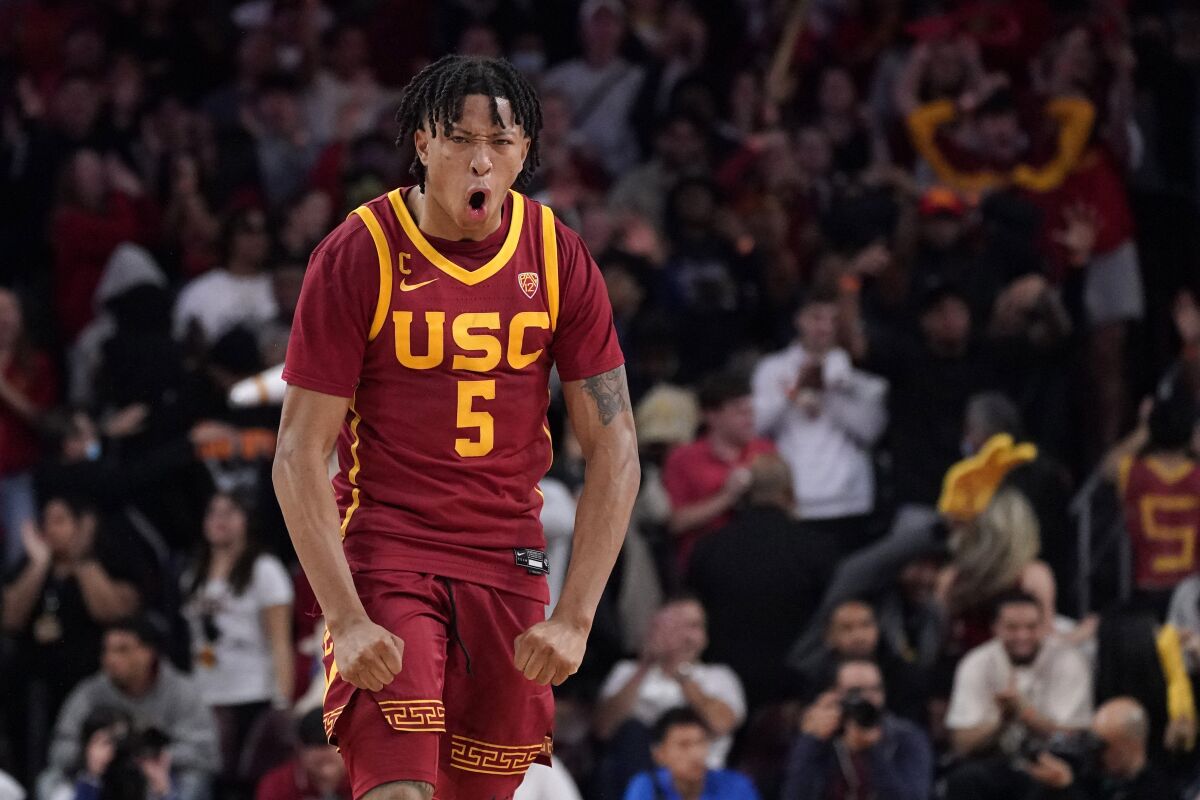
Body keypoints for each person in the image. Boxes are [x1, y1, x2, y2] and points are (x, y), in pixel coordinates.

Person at [272, 55, 639, 800]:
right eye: (459, 137)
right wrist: (345, 615)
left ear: (527, 152)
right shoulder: (358, 252)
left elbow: (617, 447)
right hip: (390, 554)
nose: (480, 158)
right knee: (397, 790)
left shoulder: (558, 255)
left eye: (501, 142)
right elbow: (296, 454)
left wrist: (576, 615)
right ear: (421, 143)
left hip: (509, 566)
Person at [688, 453, 840, 710]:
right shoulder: (818, 549)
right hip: (795, 683)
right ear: (790, 493)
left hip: (725, 681)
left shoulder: (709, 548)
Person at [751, 284, 887, 545]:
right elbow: (755, 426)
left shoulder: (855, 371)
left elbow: (871, 431)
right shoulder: (772, 368)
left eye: (832, 320)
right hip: (796, 497)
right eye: (816, 317)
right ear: (798, 320)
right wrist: (794, 390)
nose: (824, 327)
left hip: (849, 500)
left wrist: (831, 394)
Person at [181, 492, 294, 791]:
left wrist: (282, 702)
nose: (220, 520)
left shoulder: (265, 570)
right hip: (205, 693)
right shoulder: (193, 573)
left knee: (246, 784)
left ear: (247, 520)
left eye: (229, 512)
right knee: (214, 783)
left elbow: (281, 641)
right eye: (213, 512)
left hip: (252, 694)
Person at [45, 617, 220, 800]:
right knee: (49, 780)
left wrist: (155, 755)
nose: (110, 659)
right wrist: (91, 755)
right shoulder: (89, 693)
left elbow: (207, 753)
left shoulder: (182, 691)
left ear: (149, 652)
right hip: (102, 777)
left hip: (159, 776)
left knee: (195, 780)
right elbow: (59, 751)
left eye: (122, 650)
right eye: (107, 650)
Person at [943, 591, 1093, 800]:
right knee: (963, 780)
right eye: (1012, 628)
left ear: (1044, 626)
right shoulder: (976, 663)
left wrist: (1026, 713)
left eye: (1031, 627)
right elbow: (962, 744)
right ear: (995, 628)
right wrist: (1002, 721)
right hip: (996, 763)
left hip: (1053, 761)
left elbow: (1074, 736)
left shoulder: (1068, 660)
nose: (1022, 636)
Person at [662, 371, 775, 574]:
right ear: (711, 416)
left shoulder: (766, 452)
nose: (749, 419)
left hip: (760, 561)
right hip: (704, 567)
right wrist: (727, 497)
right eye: (739, 412)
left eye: (751, 411)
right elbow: (675, 523)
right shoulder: (683, 459)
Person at [781, 659, 933, 800]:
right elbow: (796, 795)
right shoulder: (822, 737)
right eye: (855, 691)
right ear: (834, 694)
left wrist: (873, 751)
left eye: (875, 690)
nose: (866, 698)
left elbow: (913, 797)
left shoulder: (906, 736)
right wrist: (811, 741)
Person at [0, 287, 57, 569]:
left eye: (9, 309)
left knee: (20, 556)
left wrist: (4, 389)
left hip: (17, 476)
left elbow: (41, 418)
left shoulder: (36, 364)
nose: (3, 318)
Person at [1025, 698, 1174, 800]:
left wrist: (1068, 790)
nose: (1098, 754)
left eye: (1104, 746)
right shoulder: (1092, 777)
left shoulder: (1158, 791)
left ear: (1130, 745)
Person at [622, 708, 760, 800]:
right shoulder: (645, 786)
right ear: (660, 754)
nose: (696, 754)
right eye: (684, 745)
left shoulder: (736, 786)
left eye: (701, 742)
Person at [255, 708, 351, 800]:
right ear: (300, 749)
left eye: (332, 743)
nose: (324, 753)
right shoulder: (278, 785)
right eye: (315, 744)